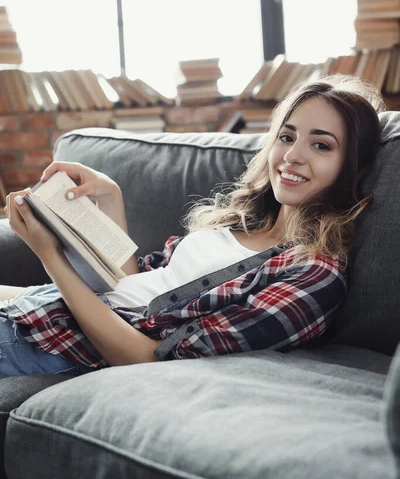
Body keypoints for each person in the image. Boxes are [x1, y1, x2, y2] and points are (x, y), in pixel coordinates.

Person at [0, 74, 387, 378]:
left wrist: (50, 256)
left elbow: (145, 358)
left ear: (352, 166)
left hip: (48, 341)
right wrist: (111, 198)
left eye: (321, 145)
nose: (292, 156)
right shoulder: (237, 223)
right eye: (287, 137)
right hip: (37, 308)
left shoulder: (314, 275)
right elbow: (136, 287)